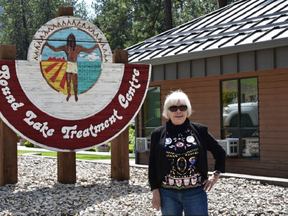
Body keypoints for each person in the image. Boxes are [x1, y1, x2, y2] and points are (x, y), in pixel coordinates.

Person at [149, 90, 226, 215]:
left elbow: (220, 153)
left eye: (182, 107)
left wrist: (215, 175)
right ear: (167, 112)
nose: (178, 111)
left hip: (195, 193)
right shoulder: (157, 134)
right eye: (173, 108)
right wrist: (155, 192)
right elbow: (153, 165)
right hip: (167, 194)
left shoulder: (200, 130)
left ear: (187, 110)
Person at [45, 33, 102, 102]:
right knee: (68, 81)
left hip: (74, 64)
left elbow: (87, 51)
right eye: (70, 39)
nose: (71, 41)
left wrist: (95, 47)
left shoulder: (78, 47)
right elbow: (55, 49)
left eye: (72, 40)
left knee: (75, 82)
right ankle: (69, 94)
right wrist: (48, 45)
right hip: (69, 64)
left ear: (74, 40)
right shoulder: (66, 47)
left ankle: (75, 95)